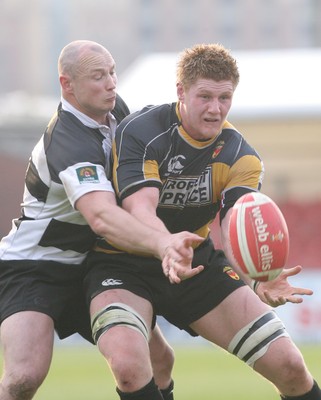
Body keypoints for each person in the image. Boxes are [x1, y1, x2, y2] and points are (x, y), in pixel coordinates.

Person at [83, 43, 320, 400]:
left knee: (289, 365)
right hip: (121, 261)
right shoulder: (142, 132)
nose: (215, 109)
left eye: (225, 98)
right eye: (205, 96)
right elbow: (140, 208)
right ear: (181, 91)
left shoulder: (242, 157)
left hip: (196, 262)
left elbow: (237, 226)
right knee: (130, 367)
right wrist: (166, 245)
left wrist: (258, 279)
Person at [0, 40, 203, 400]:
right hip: (36, 266)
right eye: (98, 76)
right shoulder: (67, 140)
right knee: (23, 378)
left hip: (94, 262)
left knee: (159, 362)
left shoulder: (116, 112)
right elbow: (103, 217)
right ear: (68, 85)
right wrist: (162, 243)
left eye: (112, 72)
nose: (111, 83)